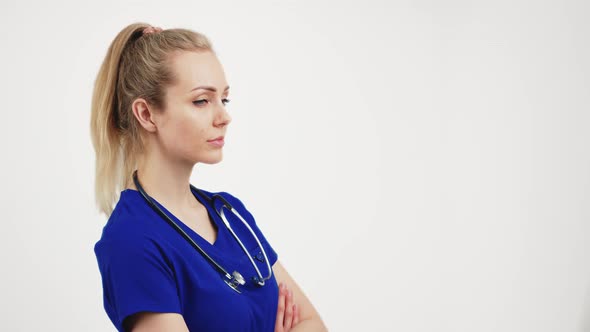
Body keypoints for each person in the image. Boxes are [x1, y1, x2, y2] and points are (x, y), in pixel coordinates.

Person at [90, 22, 327, 332]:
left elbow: (313, 324)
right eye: (201, 101)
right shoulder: (132, 241)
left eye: (223, 99)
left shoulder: (231, 214)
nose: (223, 117)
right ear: (147, 115)